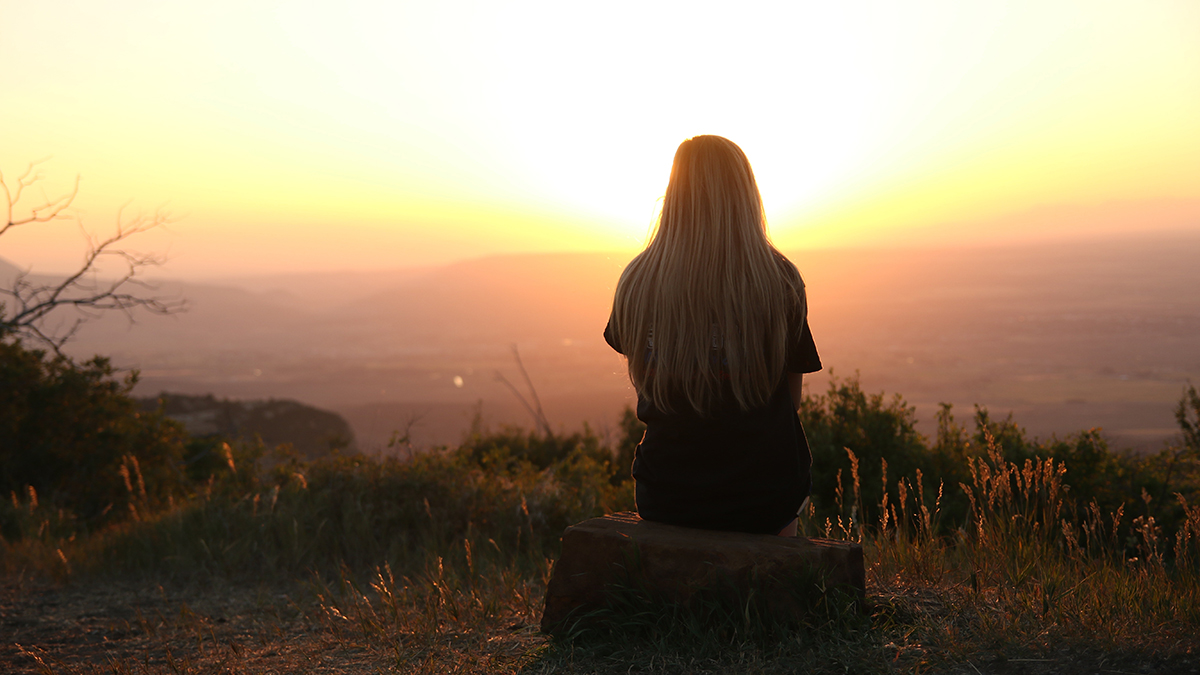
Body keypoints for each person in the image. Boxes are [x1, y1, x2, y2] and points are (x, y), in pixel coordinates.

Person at [603, 135, 821, 537]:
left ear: (674, 195)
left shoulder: (636, 281)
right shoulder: (781, 282)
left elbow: (645, 382)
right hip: (764, 497)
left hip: (666, 494)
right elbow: (791, 403)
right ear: (745, 196)